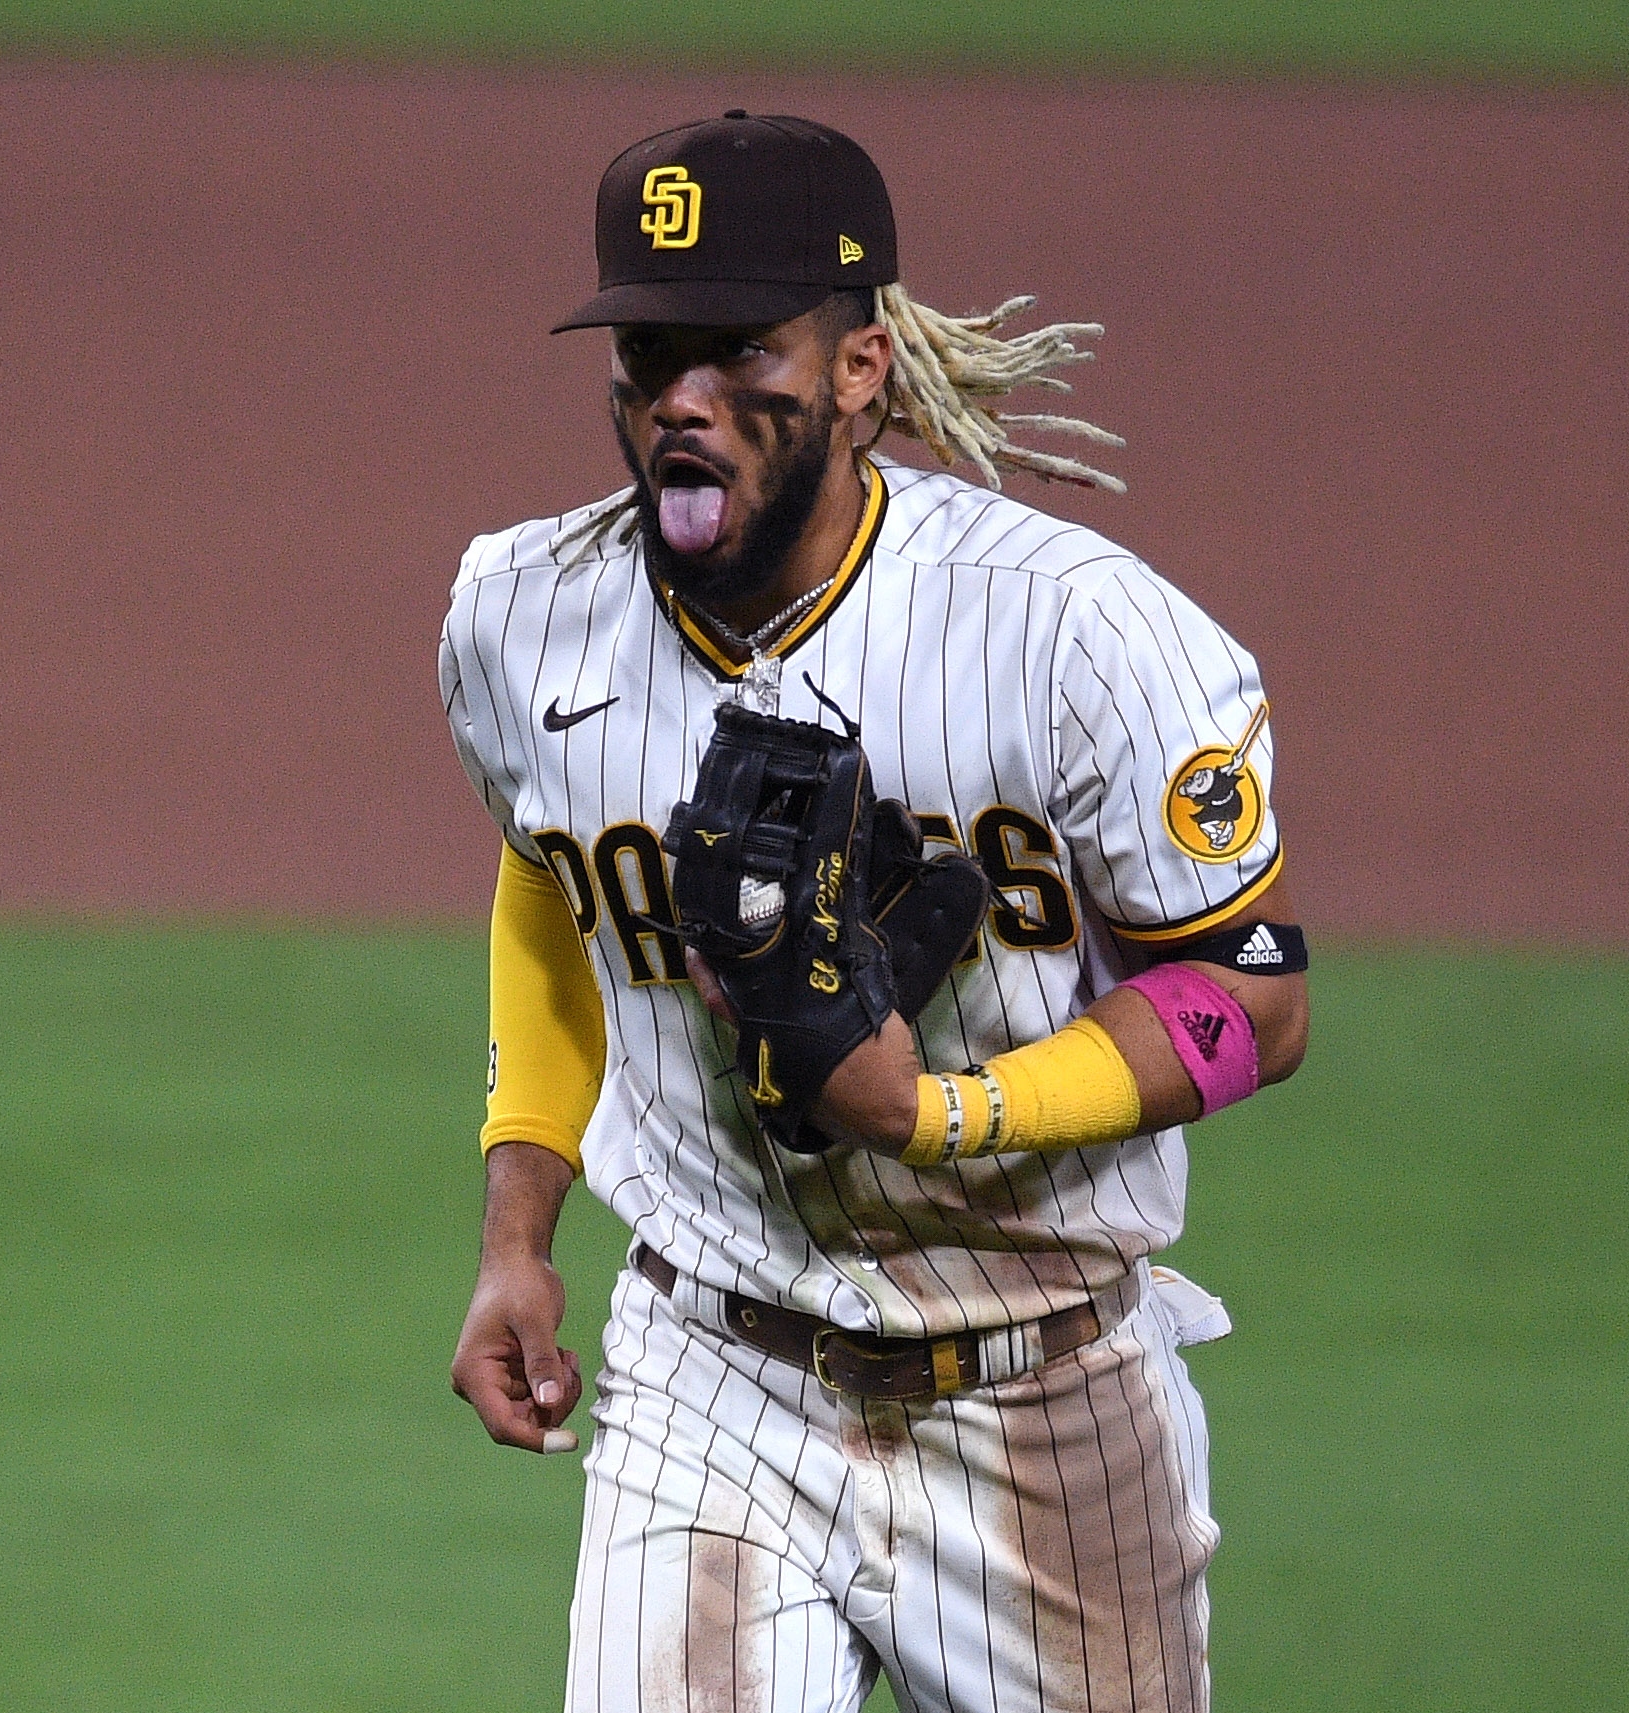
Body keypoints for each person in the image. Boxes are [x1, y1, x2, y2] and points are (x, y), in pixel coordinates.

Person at [438, 111, 1309, 1713]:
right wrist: (517, 1231)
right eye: (649, 351)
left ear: (858, 367)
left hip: (1043, 1394)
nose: (680, 400)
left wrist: (937, 1110)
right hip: (708, 1374)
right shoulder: (520, 618)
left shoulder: (1076, 636)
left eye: (738, 348)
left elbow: (1249, 1003)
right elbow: (551, 886)